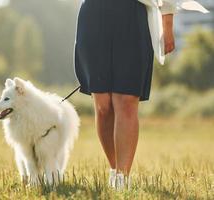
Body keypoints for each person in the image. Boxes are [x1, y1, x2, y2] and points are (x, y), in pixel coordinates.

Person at [73, 0, 175, 190]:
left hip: (132, 14)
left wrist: (167, 22)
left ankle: (122, 177)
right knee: (103, 105)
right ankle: (114, 169)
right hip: (94, 14)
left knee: (126, 100)